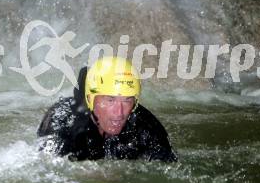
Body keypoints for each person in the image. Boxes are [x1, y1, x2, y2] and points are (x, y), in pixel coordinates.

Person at [37, 56, 177, 162]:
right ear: (91, 99)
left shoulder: (147, 127)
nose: (120, 112)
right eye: (110, 100)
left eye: (127, 100)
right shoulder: (63, 123)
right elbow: (46, 171)